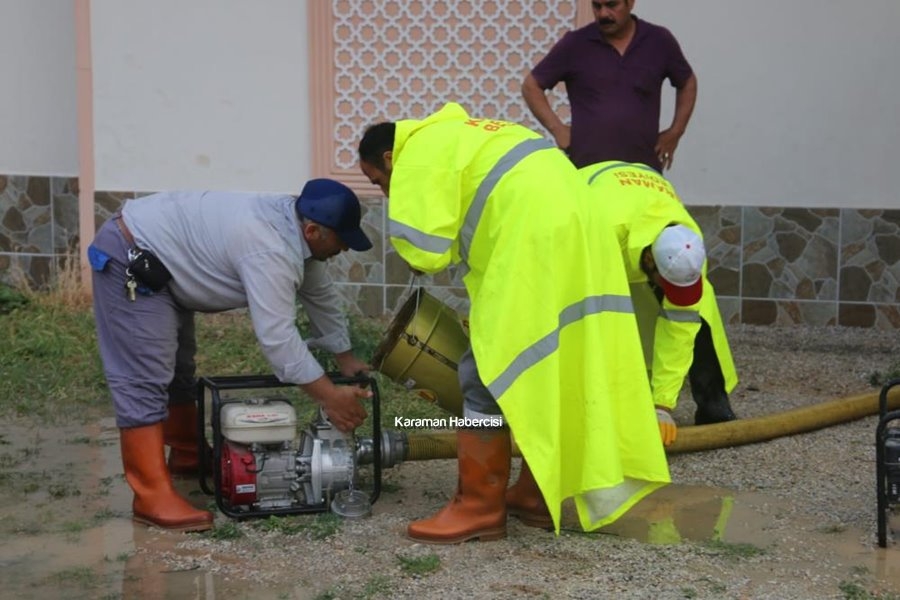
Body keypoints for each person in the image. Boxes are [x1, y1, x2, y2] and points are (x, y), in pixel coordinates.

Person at [358, 101, 670, 544]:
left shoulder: (419, 151)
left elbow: (425, 254)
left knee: (484, 370)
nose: (387, 193)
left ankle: (478, 507)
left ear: (389, 158)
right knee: (556, 360)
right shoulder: (468, 133)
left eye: (380, 182)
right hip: (582, 226)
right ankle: (536, 495)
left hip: (535, 239)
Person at [88, 179, 374, 532]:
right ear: (313, 230)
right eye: (342, 239)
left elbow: (321, 295)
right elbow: (278, 338)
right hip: (132, 254)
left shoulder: (298, 233)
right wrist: (330, 397)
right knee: (144, 377)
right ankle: (150, 497)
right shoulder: (269, 246)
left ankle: (189, 456)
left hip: (163, 257)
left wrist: (344, 357)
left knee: (178, 370)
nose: (345, 248)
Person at [582, 160, 738, 446]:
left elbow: (680, 328)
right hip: (593, 197)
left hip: (640, 196)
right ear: (651, 259)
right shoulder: (602, 231)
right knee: (596, 317)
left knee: (698, 314)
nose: (669, 292)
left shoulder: (687, 244)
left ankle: (714, 407)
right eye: (665, 282)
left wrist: (662, 406)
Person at [522, 0, 697, 172]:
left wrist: (675, 132)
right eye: (597, 6)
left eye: (612, 5)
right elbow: (531, 86)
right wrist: (557, 129)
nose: (603, 14)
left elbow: (687, 82)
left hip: (642, 171)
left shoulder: (658, 41)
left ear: (630, 3)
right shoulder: (576, 44)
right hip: (589, 170)